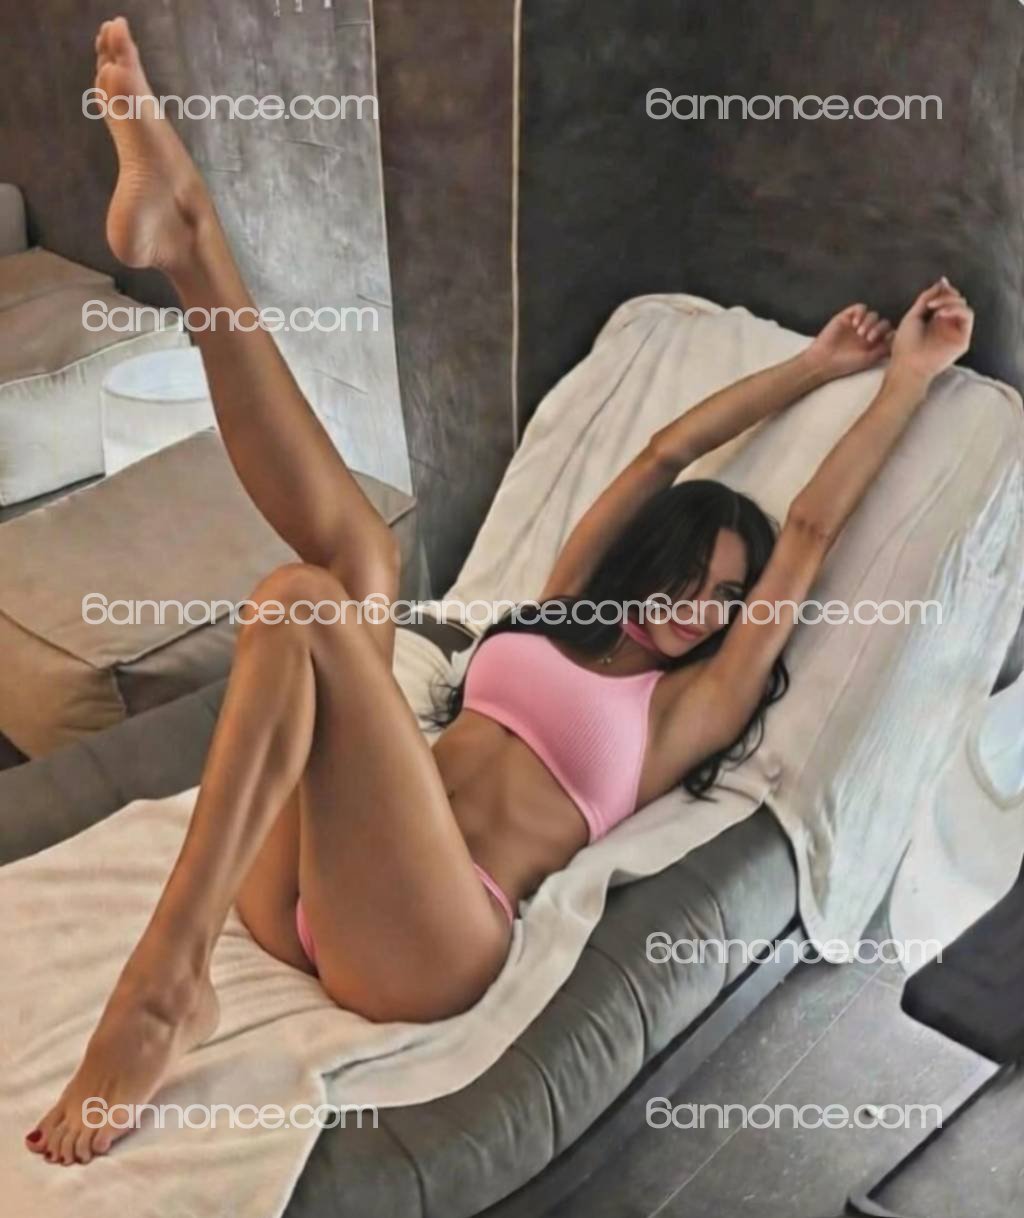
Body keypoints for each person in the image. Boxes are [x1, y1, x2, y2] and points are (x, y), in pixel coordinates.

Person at [25, 15, 974, 1167]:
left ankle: (163, 982)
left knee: (307, 598)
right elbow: (665, 450)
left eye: (724, 600)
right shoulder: (557, 615)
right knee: (354, 568)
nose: (698, 607)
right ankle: (192, 239)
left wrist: (903, 380)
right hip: (307, 895)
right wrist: (809, 365)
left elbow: (811, 527)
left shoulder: (688, 709)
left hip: (433, 943)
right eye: (687, 576)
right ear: (645, 564)